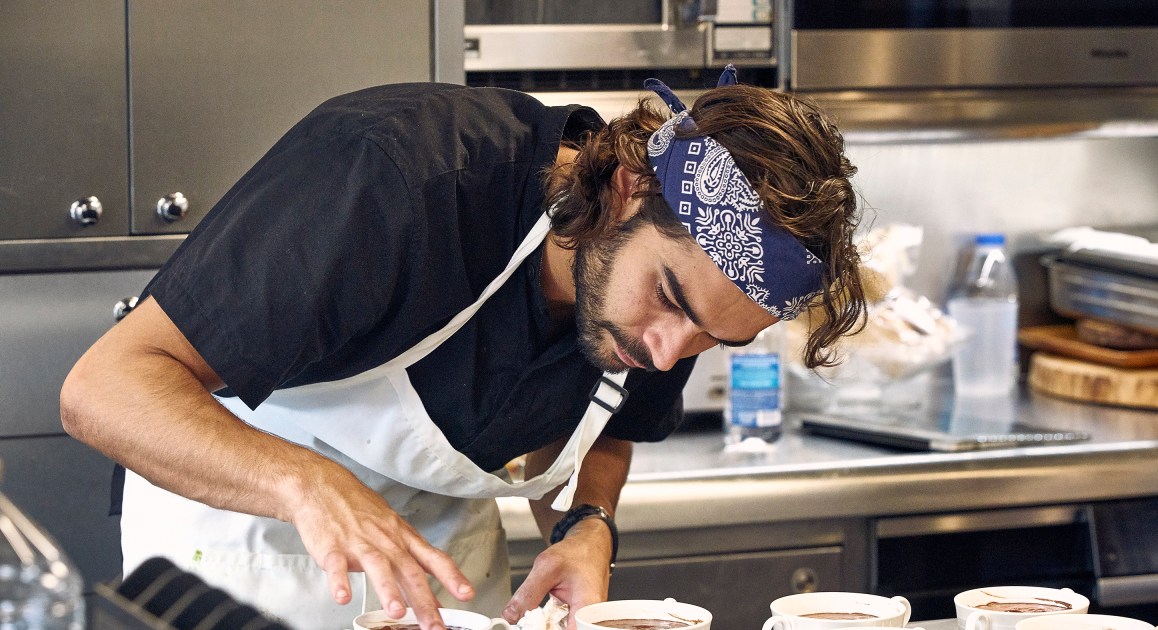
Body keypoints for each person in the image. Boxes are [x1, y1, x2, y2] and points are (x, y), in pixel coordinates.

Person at [60, 66, 864, 630]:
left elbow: (613, 424)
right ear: (628, 187)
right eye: (670, 301)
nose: (665, 354)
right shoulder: (394, 174)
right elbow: (103, 387)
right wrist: (303, 482)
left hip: (446, 575)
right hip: (247, 545)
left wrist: (586, 523)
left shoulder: (679, 304)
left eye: (710, 341)